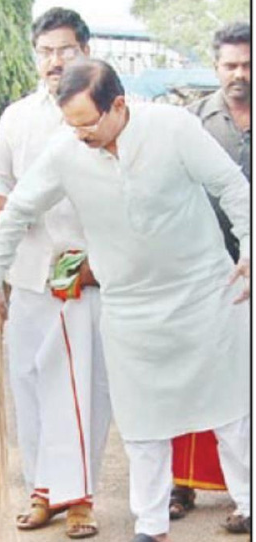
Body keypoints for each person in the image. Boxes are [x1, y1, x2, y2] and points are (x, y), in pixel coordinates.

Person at [0, 58, 250, 542]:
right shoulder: (66, 151)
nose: (79, 135)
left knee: (232, 415)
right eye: (70, 125)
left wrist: (249, 244)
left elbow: (231, 185)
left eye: (87, 124)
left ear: (118, 105)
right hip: (130, 309)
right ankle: (150, 526)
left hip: (205, 296)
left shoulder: (173, 128)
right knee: (143, 427)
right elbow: (16, 213)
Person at [0, 8, 110, 538]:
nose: (55, 62)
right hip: (29, 269)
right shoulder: (17, 116)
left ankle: (81, 497)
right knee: (31, 384)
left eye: (65, 50)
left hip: (85, 272)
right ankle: (43, 491)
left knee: (83, 389)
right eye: (46, 52)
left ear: (85, 49)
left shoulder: (101, 109)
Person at [169, 21, 251, 528]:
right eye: (230, 64)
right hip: (202, 271)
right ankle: (180, 487)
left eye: (247, 64)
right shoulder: (190, 122)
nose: (239, 73)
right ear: (214, 65)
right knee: (189, 380)